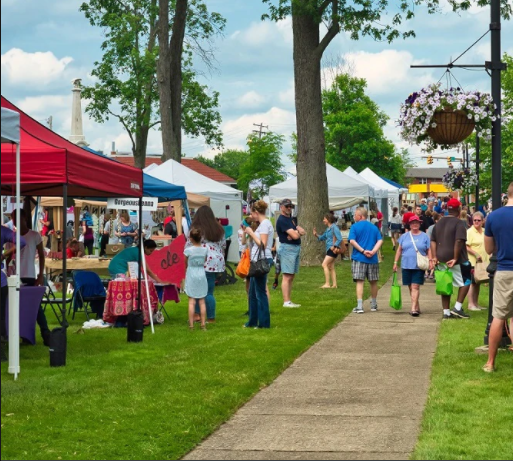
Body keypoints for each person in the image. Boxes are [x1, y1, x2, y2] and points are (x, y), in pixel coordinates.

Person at [8, 210, 50, 345]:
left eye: (18, 218)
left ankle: (46, 333)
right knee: (17, 308)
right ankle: (24, 336)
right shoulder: (11, 237)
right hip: (15, 276)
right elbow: (8, 257)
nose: (15, 221)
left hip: (30, 275)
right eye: (13, 218)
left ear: (25, 218)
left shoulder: (34, 235)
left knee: (35, 307)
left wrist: (40, 275)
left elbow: (42, 256)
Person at [483, 183, 513, 372]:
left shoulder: (493, 217)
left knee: (498, 316)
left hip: (504, 270)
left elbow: (488, 249)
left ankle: (490, 363)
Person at [430, 198, 471, 319]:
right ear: (459, 209)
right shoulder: (459, 223)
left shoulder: (439, 223)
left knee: (445, 283)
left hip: (441, 258)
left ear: (448, 209)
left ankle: (446, 312)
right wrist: (455, 257)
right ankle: (457, 308)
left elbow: (432, 241)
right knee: (467, 281)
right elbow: (459, 241)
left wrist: (434, 257)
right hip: (457, 259)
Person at [186, 206, 226, 323]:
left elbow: (189, 245)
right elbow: (223, 245)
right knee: (209, 291)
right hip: (216, 262)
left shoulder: (195, 229)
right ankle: (208, 316)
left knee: (198, 290)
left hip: (201, 261)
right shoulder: (219, 229)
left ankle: (202, 315)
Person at [393, 215, 433, 316]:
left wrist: (431, 261)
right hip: (406, 265)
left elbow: (429, 250)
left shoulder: (424, 236)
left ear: (420, 224)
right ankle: (416, 306)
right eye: (413, 223)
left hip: (418, 266)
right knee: (411, 287)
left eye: (417, 223)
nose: (415, 224)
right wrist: (395, 262)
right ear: (409, 225)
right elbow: (399, 250)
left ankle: (413, 309)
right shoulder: (404, 236)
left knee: (415, 286)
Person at [243, 200, 274, 329]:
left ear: (256, 212)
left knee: (260, 292)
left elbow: (263, 243)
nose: (251, 216)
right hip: (257, 260)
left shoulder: (265, 224)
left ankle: (264, 323)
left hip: (262, 260)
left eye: (251, 213)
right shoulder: (263, 224)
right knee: (252, 292)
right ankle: (252, 320)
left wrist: (250, 233)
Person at [348, 207, 383, 313]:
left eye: (355, 215)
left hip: (359, 257)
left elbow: (352, 241)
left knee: (360, 281)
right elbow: (380, 240)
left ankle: (359, 306)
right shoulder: (373, 227)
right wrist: (373, 251)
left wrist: (363, 251)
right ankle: (373, 304)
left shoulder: (354, 227)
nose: (354, 217)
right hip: (372, 258)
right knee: (373, 282)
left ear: (360, 216)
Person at [1, 226, 26, 361]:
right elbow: (21, 241)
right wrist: (5, 254)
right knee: (1, 317)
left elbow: (22, 242)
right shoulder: (3, 231)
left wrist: (5, 254)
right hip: (1, 281)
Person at [276, 199, 305, 308]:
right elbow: (296, 235)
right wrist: (296, 233)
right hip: (287, 248)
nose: (289, 208)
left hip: (295, 248)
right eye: (287, 206)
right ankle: (286, 301)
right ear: (281, 207)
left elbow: (302, 231)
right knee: (287, 275)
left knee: (291, 275)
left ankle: (289, 300)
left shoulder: (292, 220)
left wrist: (296, 232)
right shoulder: (282, 220)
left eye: (290, 206)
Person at [184, 227, 208, 331]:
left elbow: (185, 262)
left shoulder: (188, 250)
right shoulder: (205, 249)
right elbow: (205, 260)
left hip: (191, 273)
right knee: (202, 301)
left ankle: (191, 325)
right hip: (201, 273)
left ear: (191, 239)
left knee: (191, 301)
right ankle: (203, 324)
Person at [466, 211, 489, 312]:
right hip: (473, 262)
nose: (476, 222)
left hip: (483, 262)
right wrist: (475, 254)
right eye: (474, 220)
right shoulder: (470, 232)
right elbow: (466, 246)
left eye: (478, 220)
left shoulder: (485, 231)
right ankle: (471, 304)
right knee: (472, 283)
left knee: (478, 282)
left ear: (483, 221)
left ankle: (476, 303)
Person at [313, 214, 343, 289]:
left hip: (332, 249)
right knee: (331, 267)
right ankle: (334, 285)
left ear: (328, 219)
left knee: (324, 264)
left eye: (324, 219)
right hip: (329, 249)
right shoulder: (328, 229)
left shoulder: (334, 227)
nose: (323, 220)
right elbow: (323, 237)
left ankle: (327, 284)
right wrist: (316, 234)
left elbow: (339, 238)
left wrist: (334, 246)